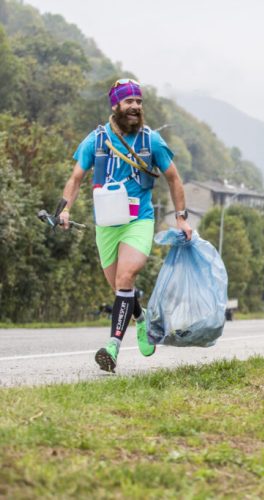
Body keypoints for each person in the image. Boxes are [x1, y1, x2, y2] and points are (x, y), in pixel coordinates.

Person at [59, 78, 192, 373]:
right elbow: (75, 178)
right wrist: (65, 209)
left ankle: (112, 349)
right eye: (129, 101)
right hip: (106, 225)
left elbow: (174, 178)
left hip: (138, 221)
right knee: (121, 286)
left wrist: (180, 217)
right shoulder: (96, 139)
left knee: (126, 276)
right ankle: (141, 319)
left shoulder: (151, 141)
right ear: (116, 105)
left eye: (139, 102)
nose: (135, 107)